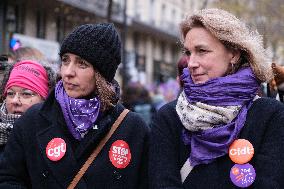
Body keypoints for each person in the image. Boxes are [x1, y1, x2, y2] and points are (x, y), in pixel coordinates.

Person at [0, 23, 149, 189]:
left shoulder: (133, 128)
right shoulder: (32, 120)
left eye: (82, 63)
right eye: (65, 60)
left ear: (101, 73)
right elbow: (9, 180)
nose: (68, 72)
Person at [149, 8, 284, 188]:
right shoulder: (168, 117)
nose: (191, 64)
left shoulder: (271, 116)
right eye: (188, 53)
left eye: (202, 51)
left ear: (234, 54)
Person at [0, 60, 56, 157]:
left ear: (45, 99)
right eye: (10, 93)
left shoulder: (55, 142)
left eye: (26, 94)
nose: (15, 101)